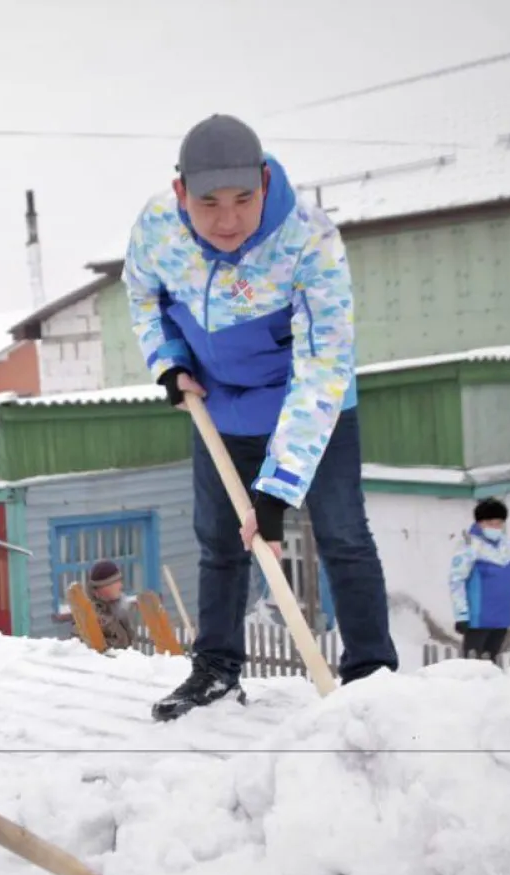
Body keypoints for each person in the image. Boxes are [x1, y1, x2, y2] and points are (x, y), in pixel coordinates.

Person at [122, 113, 399, 722]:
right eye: (209, 203)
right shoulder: (157, 230)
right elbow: (142, 294)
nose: (228, 221)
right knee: (219, 545)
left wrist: (277, 488)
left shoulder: (309, 241)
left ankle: (372, 679)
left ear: (265, 185)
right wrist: (166, 361)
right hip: (220, 405)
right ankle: (216, 670)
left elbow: (324, 364)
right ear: (180, 195)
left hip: (311, 405)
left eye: (244, 200)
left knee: (343, 537)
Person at [450, 498, 510, 665]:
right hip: (479, 618)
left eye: (499, 524)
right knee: (472, 664)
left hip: (502, 616)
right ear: (480, 522)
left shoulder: (506, 545)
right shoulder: (469, 547)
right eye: (491, 523)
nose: (495, 528)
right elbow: (457, 581)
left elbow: (508, 575)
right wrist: (461, 614)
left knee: (492, 662)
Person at [86, 559, 137, 651]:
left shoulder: (120, 609)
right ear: (103, 587)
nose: (120, 586)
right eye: (116, 582)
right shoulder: (90, 615)